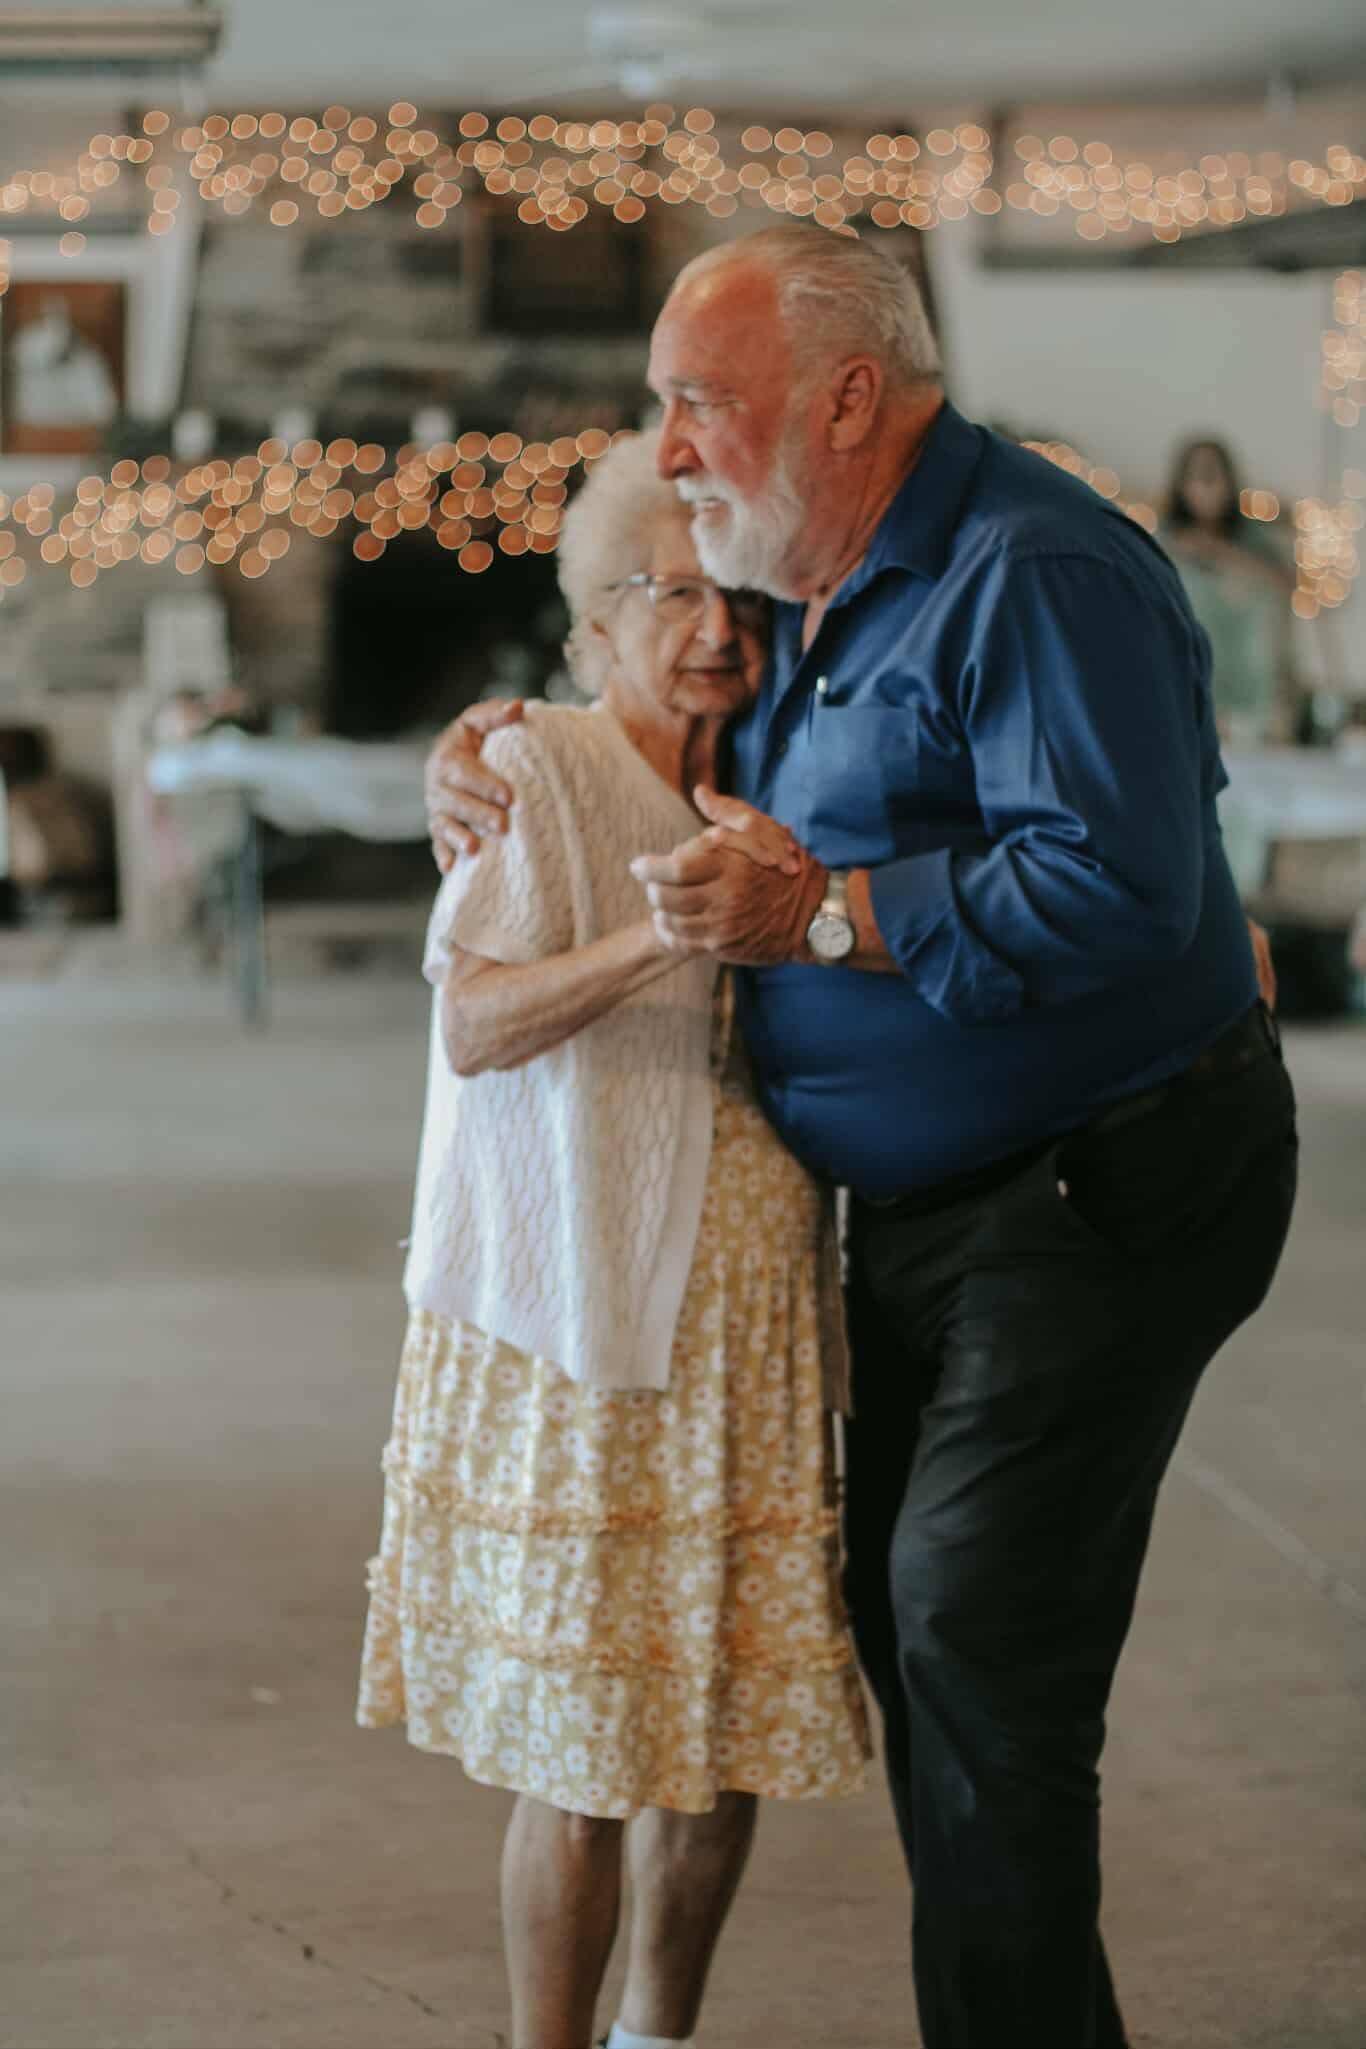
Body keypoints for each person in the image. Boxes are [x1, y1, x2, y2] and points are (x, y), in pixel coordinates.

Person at [425, 224, 1299, 2049]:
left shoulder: (1035, 568)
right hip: (935, 1209)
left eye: (697, 404)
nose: (671, 447)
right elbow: (671, 707)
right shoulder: (811, 580)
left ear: (843, 395)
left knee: (972, 1643)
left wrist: (820, 915)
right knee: (942, 1657)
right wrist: (497, 738)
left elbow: (1120, 891)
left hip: (1098, 1175)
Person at [358, 427, 869, 2049]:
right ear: (589, 622)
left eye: (734, 593)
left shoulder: (784, 763)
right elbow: (475, 1025)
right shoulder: (533, 765)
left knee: (716, 1718)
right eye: (664, 592)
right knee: (581, 1738)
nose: (712, 625)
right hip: (586, 1320)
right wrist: (664, 930)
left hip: (752, 1321)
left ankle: (661, 2033)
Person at [1160, 437, 1296, 748]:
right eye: (1198, 476)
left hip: (1249, 683)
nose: (1207, 486)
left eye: (1214, 475)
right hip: (1187, 681)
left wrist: (1222, 554)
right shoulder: (1165, 543)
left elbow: (1285, 589)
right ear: (1182, 483)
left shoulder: (1255, 542)